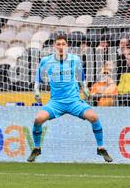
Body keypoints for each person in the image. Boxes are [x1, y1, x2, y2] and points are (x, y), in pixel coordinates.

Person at [27, 34, 113, 163]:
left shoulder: (75, 59)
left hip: (73, 101)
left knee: (94, 117)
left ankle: (101, 147)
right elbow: (38, 77)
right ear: (54, 46)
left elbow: (81, 74)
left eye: (63, 44)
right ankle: (37, 148)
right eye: (58, 44)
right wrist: (36, 90)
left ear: (67, 46)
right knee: (38, 119)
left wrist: (84, 87)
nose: (61, 47)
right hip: (56, 102)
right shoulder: (46, 60)